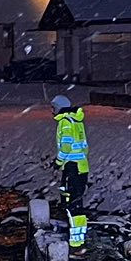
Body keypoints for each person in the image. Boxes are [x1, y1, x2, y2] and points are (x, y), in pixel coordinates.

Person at [52, 94, 90, 250]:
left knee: (71, 203)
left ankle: (75, 241)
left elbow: (66, 146)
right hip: (81, 167)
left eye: (53, 107)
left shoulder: (65, 122)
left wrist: (58, 162)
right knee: (77, 202)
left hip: (72, 167)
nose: (52, 111)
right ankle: (79, 237)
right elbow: (85, 147)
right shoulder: (76, 121)